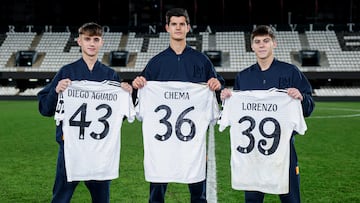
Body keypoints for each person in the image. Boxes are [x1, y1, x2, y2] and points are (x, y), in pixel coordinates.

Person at [132, 8, 224, 203]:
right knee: (157, 192)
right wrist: (137, 84)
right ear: (167, 28)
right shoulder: (156, 63)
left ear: (188, 27)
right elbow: (140, 94)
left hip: (193, 141)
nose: (178, 28)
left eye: (182, 24)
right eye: (174, 24)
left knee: (198, 192)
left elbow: (217, 87)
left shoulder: (201, 60)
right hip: (162, 141)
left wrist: (217, 86)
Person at [37, 22, 133, 203]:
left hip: (100, 150)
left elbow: (123, 113)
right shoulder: (67, 72)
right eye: (87, 39)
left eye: (96, 39)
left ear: (102, 42)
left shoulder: (110, 75)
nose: (91, 43)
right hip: (71, 148)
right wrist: (56, 91)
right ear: (79, 41)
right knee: (61, 198)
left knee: (101, 199)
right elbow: (45, 109)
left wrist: (125, 92)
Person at [220, 25, 315, 203]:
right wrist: (226, 99)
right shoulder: (244, 76)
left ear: (274, 44)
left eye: (266, 41)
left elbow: (309, 107)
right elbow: (236, 114)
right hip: (252, 153)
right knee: (253, 200)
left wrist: (301, 98)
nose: (262, 45)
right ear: (252, 47)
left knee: (291, 199)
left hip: (284, 150)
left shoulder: (290, 72)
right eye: (257, 42)